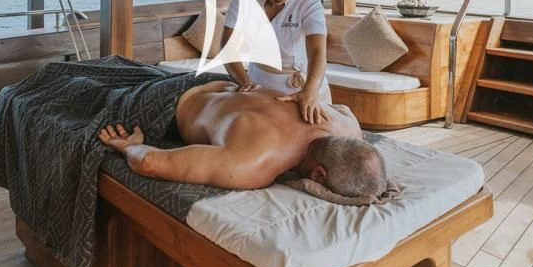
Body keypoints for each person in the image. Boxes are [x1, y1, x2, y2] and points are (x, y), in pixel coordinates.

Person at [97, 80, 387, 198]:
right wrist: (131, 145)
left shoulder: (347, 125)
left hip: (224, 84)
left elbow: (343, 107)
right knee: (89, 90)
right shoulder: (256, 162)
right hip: (169, 103)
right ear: (318, 175)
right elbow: (149, 161)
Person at [222, 0, 330, 124]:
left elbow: (318, 53)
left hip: (301, 86)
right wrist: (245, 82)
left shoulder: (309, 4)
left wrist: (310, 92)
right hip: (258, 84)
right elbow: (228, 47)